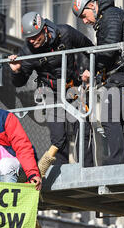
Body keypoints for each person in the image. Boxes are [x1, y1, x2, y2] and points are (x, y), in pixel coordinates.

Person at [8, 11, 94, 167]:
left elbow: (89, 48)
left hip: (72, 88)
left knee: (82, 128)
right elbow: (20, 83)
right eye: (29, 38)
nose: (33, 41)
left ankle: (86, 169)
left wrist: (89, 70)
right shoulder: (27, 51)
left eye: (35, 37)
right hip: (50, 93)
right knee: (58, 138)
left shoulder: (65, 33)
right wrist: (16, 71)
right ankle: (61, 172)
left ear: (44, 29)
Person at [72, 0, 124, 165]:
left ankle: (117, 163)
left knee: (109, 117)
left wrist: (92, 68)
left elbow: (109, 47)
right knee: (123, 123)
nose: (84, 21)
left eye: (84, 15)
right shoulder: (108, 17)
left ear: (92, 6)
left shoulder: (110, 16)